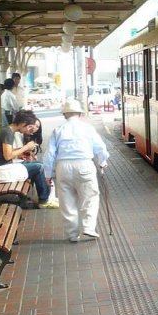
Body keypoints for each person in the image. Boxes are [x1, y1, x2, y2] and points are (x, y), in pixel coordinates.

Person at [43, 99, 110, 243]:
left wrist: (48, 174)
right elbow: (100, 147)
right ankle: (88, 228)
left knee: (67, 202)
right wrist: (102, 162)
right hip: (85, 164)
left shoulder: (58, 130)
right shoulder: (88, 128)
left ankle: (72, 234)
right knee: (90, 197)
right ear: (80, 113)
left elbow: (49, 154)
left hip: (63, 167)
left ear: (65, 115)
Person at [0, 109, 57, 208]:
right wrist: (26, 147)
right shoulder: (7, 132)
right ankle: (44, 200)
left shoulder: (8, 131)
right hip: (1, 171)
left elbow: (7, 153)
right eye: (29, 126)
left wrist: (21, 152)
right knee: (39, 168)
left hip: (6, 167)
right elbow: (7, 156)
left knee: (39, 164)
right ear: (23, 123)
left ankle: (45, 198)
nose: (28, 130)